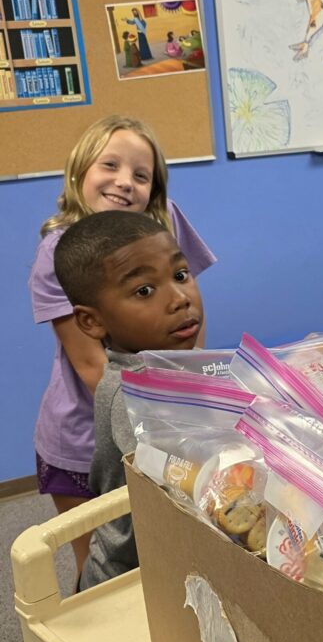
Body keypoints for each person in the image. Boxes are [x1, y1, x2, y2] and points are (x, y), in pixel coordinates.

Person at [28, 115, 216, 580]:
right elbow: (95, 366)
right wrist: (175, 423)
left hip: (159, 418)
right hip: (84, 438)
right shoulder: (59, 251)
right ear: (79, 172)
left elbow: (189, 320)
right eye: (109, 165)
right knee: (104, 561)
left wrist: (190, 395)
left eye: (141, 174)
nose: (125, 181)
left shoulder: (162, 221)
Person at [52, 210, 205, 588]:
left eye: (180, 275)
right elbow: (184, 481)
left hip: (167, 556)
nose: (180, 298)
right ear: (92, 322)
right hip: (126, 577)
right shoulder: (129, 392)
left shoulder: (178, 364)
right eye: (144, 291)